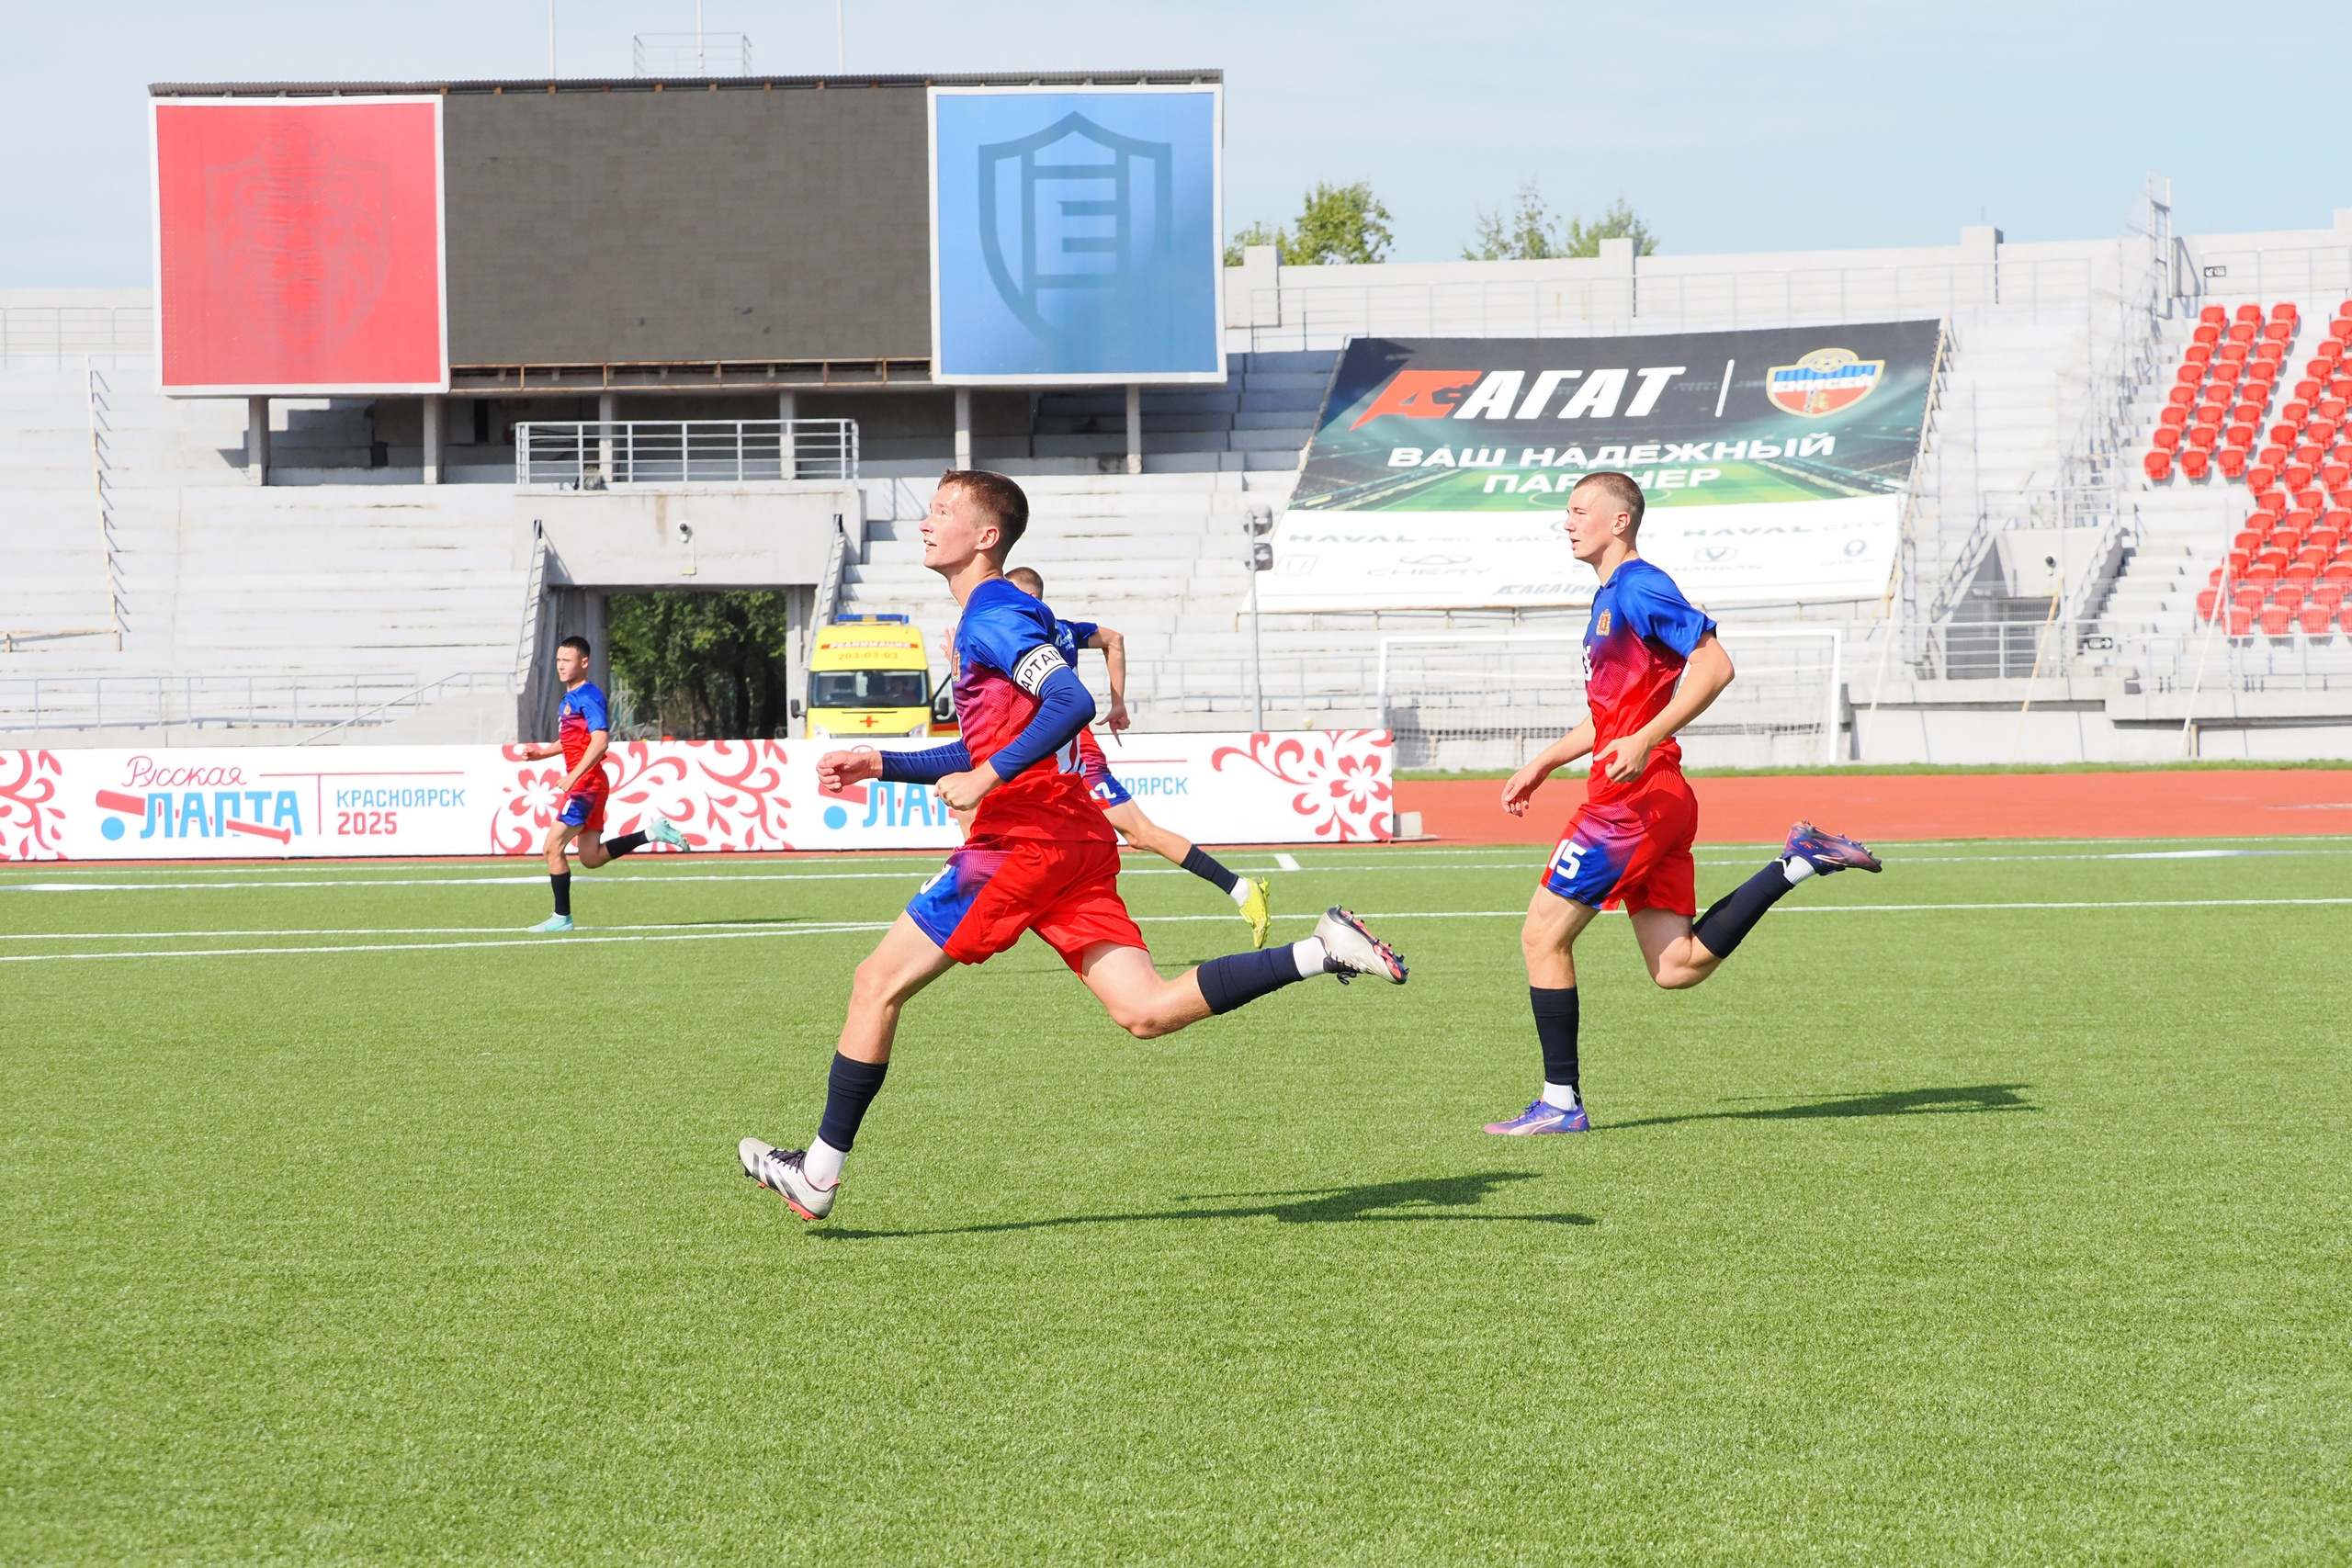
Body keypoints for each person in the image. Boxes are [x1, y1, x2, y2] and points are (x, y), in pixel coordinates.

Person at [739, 470, 1407, 1220]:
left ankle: (818, 1174)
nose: (925, 523)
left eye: (943, 511)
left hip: (1020, 844)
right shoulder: (1006, 615)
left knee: (875, 984)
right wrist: (884, 762)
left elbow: (1072, 702)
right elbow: (988, 739)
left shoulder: (990, 613)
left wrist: (988, 773)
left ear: (986, 536)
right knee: (1146, 1009)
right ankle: (1321, 949)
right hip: (1072, 842)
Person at [1485, 471, 1883, 1134]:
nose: (1567, 521)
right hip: (1657, 796)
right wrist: (1545, 760)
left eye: (1579, 510)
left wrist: (1645, 736)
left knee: (1541, 935)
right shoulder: (1610, 597)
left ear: (1620, 521)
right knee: (1677, 966)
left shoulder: (1641, 584)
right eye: (1566, 512)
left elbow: (1716, 665)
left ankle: (1559, 1102)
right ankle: (1797, 863)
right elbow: (1612, 719)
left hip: (1633, 802)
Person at [1003, 565, 1273, 948]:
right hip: (1048, 754)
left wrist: (1118, 703)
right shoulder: (1058, 628)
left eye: (1007, 594)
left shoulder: (1039, 630)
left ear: (1029, 598)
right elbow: (1114, 639)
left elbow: (1114, 640)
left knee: (1139, 833)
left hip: (1075, 755)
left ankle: (1241, 889)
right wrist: (1117, 703)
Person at [519, 636, 688, 932]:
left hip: (586, 785)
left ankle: (562, 918)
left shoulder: (589, 696)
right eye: (558, 660)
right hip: (589, 784)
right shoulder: (569, 698)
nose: (560, 666)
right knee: (590, 857)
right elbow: (574, 740)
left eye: (567, 660)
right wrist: (542, 754)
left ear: (584, 663)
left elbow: (600, 740)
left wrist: (573, 776)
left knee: (552, 847)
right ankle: (652, 832)